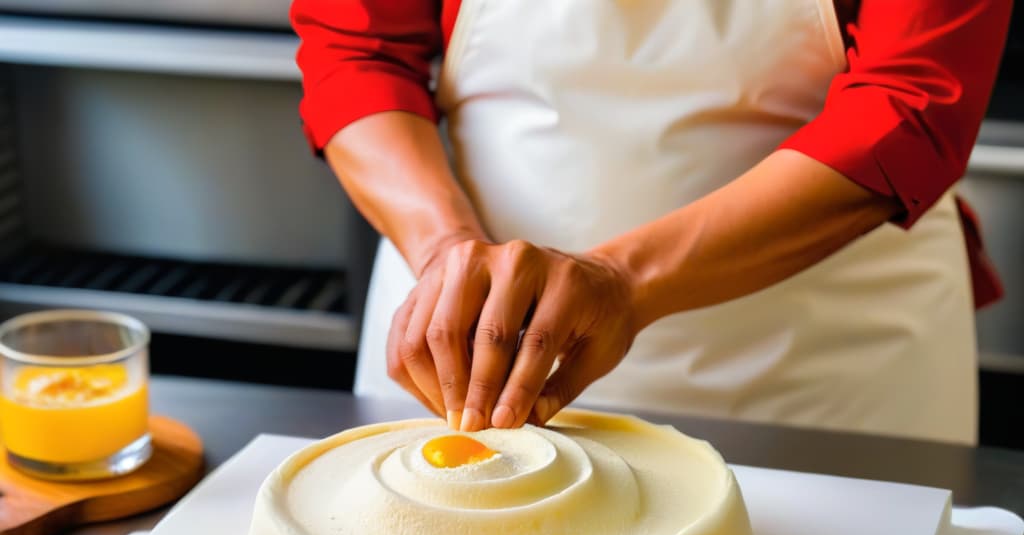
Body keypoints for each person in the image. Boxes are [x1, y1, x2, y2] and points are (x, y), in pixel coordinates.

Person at [291, 0, 1010, 445]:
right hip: (472, 339)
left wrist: (624, 282)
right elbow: (356, 49)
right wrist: (445, 248)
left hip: (825, 376)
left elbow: (913, 99)